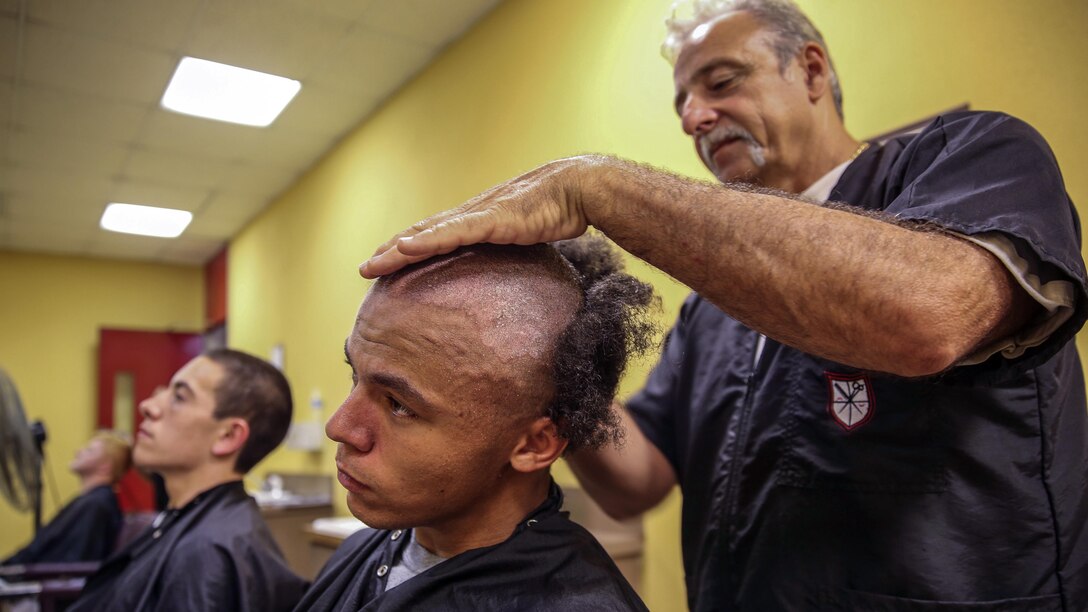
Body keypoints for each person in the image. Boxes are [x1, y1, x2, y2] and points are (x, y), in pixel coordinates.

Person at [359, 1, 1088, 609]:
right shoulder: (715, 305)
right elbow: (636, 483)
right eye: (682, 102)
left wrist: (597, 187)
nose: (694, 117)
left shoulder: (968, 157)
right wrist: (547, 355)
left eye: (721, 82)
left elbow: (930, 317)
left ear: (810, 70)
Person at [295, 238, 654, 611]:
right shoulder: (364, 549)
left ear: (534, 445)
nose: (339, 427)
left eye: (399, 405)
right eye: (356, 376)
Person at [69, 349, 308, 612]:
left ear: (228, 435)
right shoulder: (187, 520)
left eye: (179, 397)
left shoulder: (208, 553)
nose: (148, 406)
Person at [2, 430, 131, 565]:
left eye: (89, 451)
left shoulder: (96, 505)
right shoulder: (92, 501)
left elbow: (76, 562)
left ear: (105, 466)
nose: (78, 452)